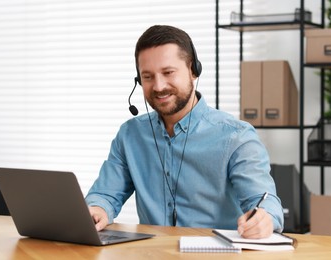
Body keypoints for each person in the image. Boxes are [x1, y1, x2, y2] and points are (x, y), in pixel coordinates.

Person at [85, 25, 284, 239]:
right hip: (153, 254)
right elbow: (105, 195)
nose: (159, 86)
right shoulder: (130, 135)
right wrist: (97, 210)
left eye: (168, 72)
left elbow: (264, 202)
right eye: (148, 77)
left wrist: (264, 219)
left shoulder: (237, 137)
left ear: (193, 70)